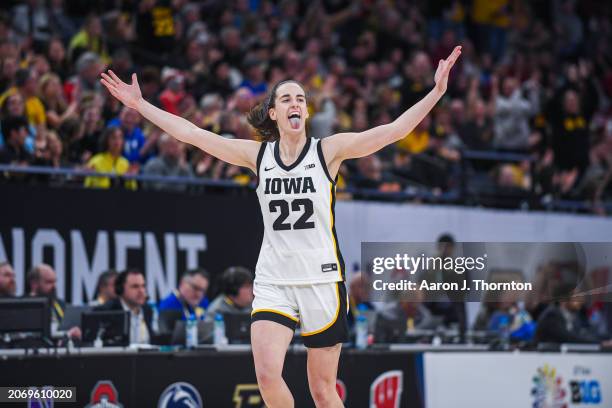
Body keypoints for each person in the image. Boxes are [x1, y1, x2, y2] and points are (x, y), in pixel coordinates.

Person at [100, 44, 461, 407]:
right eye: (287, 98)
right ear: (273, 112)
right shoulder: (258, 156)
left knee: (322, 391)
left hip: (321, 279)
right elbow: (193, 135)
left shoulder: (328, 151)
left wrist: (436, 92)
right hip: (274, 279)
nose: (296, 104)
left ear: (306, 111)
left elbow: (394, 131)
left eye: (301, 99)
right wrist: (141, 106)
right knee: (267, 377)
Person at [95, 268, 154, 345]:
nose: (141, 291)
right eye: (135, 286)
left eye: (143, 286)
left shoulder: (147, 310)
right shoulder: (106, 311)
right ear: (120, 289)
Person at [27, 263, 81, 339]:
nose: (54, 286)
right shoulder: (23, 307)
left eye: (55, 282)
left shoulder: (61, 305)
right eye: (49, 282)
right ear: (34, 284)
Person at [158, 268, 210, 333]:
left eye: (203, 290)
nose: (199, 294)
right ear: (182, 284)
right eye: (195, 288)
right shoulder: (168, 305)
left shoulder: (203, 302)